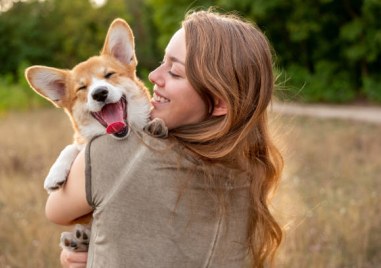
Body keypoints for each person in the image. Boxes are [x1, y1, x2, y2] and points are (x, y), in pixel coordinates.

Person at [46, 9, 284, 268]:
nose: (152, 76)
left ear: (218, 102)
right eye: (162, 61)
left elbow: (55, 210)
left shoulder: (113, 153)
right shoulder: (250, 170)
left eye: (175, 72)